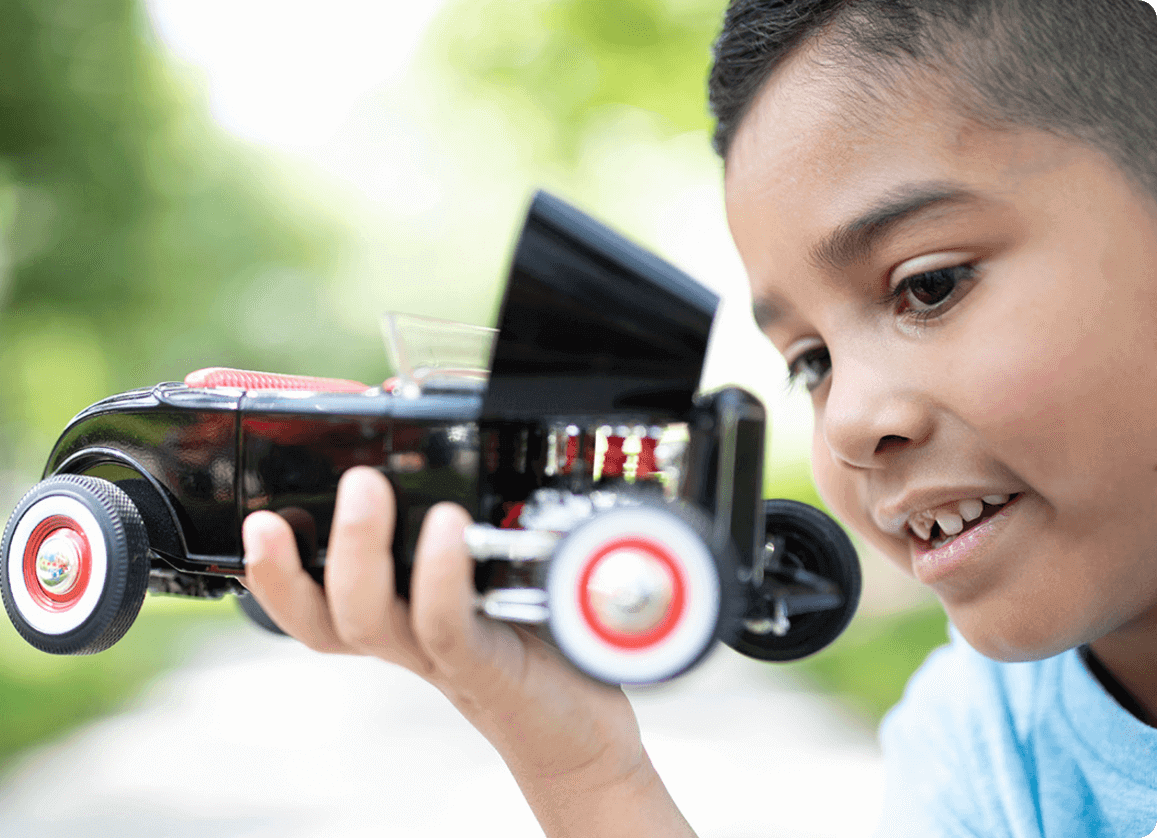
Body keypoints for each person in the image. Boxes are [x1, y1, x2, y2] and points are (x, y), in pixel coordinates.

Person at [240, 0, 1157, 834]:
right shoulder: (978, 744)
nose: (846, 424)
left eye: (930, 285)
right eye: (811, 365)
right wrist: (585, 769)